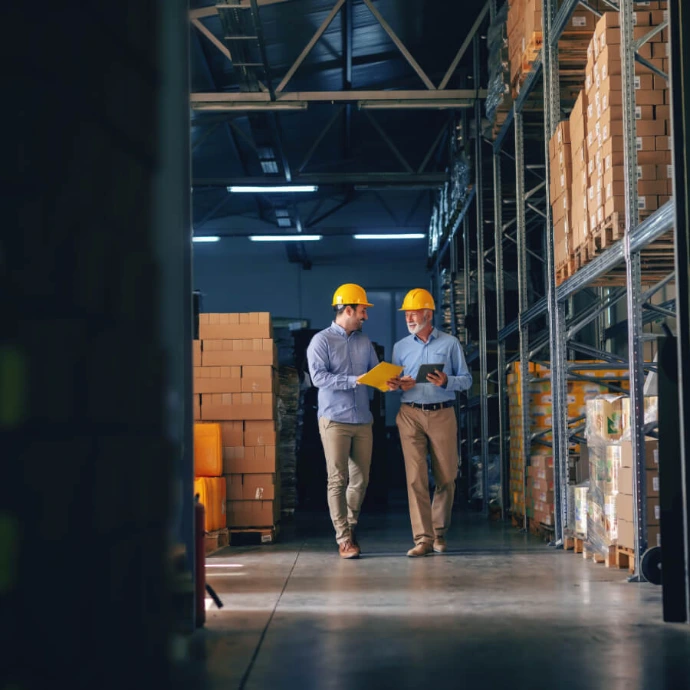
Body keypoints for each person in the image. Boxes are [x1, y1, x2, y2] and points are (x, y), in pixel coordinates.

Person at [387, 288, 472, 557]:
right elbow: (394, 382)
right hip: (410, 413)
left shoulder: (450, 344)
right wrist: (400, 384)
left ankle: (439, 532)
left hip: (442, 413)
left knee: (447, 476)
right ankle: (423, 538)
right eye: (407, 314)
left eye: (414, 313)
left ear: (428, 313)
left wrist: (447, 381)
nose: (409, 318)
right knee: (416, 478)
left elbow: (467, 379)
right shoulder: (400, 347)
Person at [307, 283, 379, 559]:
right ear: (347, 309)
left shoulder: (364, 341)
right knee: (337, 479)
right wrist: (354, 380)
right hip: (334, 419)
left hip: (362, 418)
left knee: (360, 479)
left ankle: (350, 526)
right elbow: (319, 379)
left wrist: (393, 381)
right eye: (362, 311)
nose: (365, 316)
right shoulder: (321, 341)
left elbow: (374, 373)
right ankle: (343, 538)